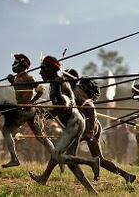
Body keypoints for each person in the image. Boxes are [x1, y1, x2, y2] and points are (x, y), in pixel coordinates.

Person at [33, 68, 136, 184]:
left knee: (60, 151)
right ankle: (127, 175)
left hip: (88, 126)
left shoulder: (76, 91)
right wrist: (48, 114)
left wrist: (90, 131)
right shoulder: (70, 91)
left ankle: (44, 177)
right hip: (91, 125)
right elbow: (64, 109)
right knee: (99, 159)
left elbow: (90, 108)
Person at [29, 56, 99, 195]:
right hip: (75, 122)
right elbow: (59, 108)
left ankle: (91, 162)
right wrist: (44, 113)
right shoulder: (56, 83)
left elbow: (67, 104)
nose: (40, 73)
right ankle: (91, 192)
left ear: (50, 69)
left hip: (75, 122)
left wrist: (59, 102)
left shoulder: (60, 84)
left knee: (56, 154)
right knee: (70, 160)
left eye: (42, 69)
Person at [1, 53, 51, 168]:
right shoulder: (18, 77)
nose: (13, 65)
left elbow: (41, 90)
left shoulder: (29, 77)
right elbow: (20, 90)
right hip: (26, 109)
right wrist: (12, 82)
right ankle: (55, 154)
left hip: (26, 110)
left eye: (15, 63)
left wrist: (32, 102)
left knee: (6, 130)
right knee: (39, 136)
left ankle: (14, 159)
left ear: (22, 65)